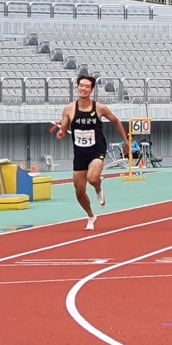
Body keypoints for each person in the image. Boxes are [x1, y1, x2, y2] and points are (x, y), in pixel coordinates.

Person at [54, 75, 131, 231]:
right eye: (81, 85)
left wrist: (127, 142)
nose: (83, 88)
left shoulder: (99, 108)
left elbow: (115, 122)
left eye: (87, 86)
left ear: (92, 90)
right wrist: (61, 133)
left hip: (97, 149)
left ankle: (98, 187)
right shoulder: (69, 109)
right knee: (79, 190)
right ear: (77, 87)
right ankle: (90, 215)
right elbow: (63, 128)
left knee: (92, 177)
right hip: (79, 152)